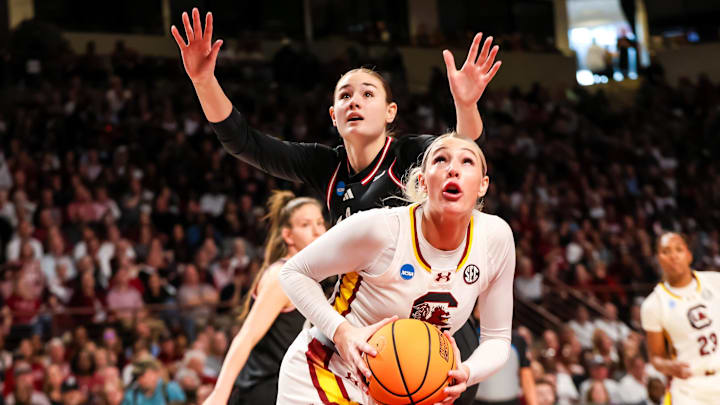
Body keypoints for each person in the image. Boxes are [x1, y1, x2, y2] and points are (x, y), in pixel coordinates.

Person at [172, 9, 501, 404]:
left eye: (367, 93)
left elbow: (461, 152)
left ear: (390, 112)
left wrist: (466, 106)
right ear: (333, 116)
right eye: (345, 95)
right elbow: (246, 143)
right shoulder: (325, 166)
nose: (354, 101)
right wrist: (203, 80)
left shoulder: (411, 155)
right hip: (367, 331)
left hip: (435, 324)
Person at [276, 133, 515, 404]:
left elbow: (497, 338)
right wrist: (341, 331)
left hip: (404, 391)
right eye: (440, 159)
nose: (453, 168)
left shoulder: (496, 238)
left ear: (483, 185)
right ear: (422, 182)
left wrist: (468, 372)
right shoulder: (382, 229)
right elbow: (293, 272)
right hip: (330, 372)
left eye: (467, 161)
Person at [202, 191, 326, 404]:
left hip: (288, 389)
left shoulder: (313, 276)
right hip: (261, 391)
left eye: (320, 223)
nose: (317, 231)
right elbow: (246, 336)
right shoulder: (281, 276)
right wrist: (219, 395)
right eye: (306, 225)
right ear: (288, 235)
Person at [641, 232, 720, 404]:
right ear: (658, 259)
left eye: (679, 249)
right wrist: (668, 366)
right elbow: (655, 357)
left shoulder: (715, 282)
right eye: (666, 251)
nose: (673, 256)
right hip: (690, 388)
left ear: (689, 255)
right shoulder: (653, 304)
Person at [121, 357, 185, 405]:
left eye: (144, 375)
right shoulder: (131, 395)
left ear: (156, 373)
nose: (141, 379)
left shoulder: (171, 389)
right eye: (138, 376)